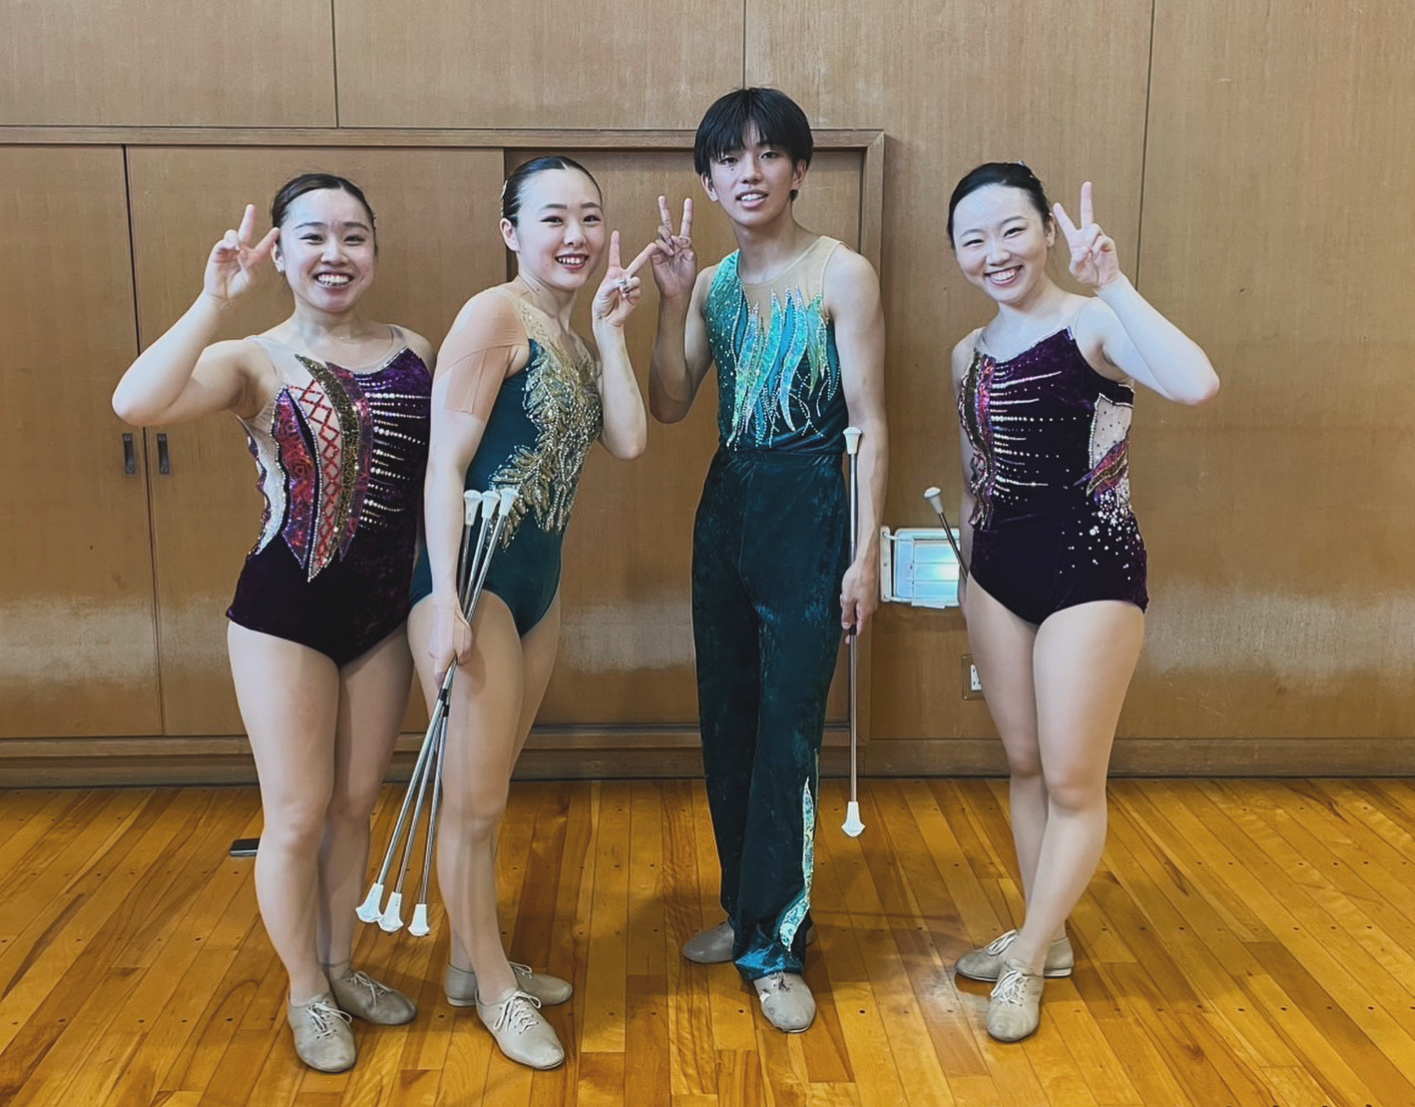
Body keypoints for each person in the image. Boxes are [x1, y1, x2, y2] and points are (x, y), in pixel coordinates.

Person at [112, 174, 436, 1072]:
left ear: (375, 250)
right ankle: (304, 990)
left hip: (381, 615)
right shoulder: (252, 359)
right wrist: (212, 302)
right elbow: (135, 404)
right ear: (282, 253)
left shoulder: (414, 349)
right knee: (295, 814)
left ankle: (341, 965)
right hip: (283, 615)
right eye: (314, 236)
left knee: (354, 805)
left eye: (354, 235)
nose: (336, 253)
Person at [947, 162, 1219, 1042]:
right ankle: (1049, 933)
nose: (995, 253)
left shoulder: (1094, 321)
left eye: (1012, 231)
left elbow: (1196, 383)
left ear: (1046, 232)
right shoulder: (968, 353)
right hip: (997, 573)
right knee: (1026, 765)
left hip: (1091, 570)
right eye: (973, 240)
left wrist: (1117, 283)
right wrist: (967, 578)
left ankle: (1026, 957)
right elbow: (975, 475)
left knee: (1071, 779)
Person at [406, 155, 653, 1070]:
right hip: (473, 586)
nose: (576, 235)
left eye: (589, 216)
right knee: (473, 803)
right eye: (553, 218)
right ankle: (493, 987)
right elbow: (444, 464)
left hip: (539, 584)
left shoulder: (572, 336)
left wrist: (614, 335)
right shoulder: (494, 314)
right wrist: (444, 602)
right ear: (511, 231)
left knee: (489, 790)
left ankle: (471, 961)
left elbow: (629, 441)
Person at [648, 87, 887, 1033]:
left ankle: (778, 942)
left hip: (809, 503)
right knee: (729, 720)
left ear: (799, 169)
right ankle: (746, 911)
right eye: (729, 158)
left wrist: (863, 556)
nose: (749, 173)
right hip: (728, 505)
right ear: (709, 180)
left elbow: (869, 425)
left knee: (787, 732)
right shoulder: (712, 281)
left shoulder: (843, 273)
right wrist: (672, 303)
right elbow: (671, 403)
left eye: (767, 154)